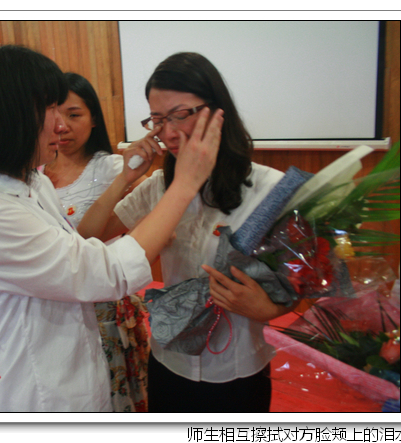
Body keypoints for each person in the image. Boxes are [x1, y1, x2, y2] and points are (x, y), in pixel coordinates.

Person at [0, 44, 222, 412]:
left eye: (180, 115)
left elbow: (77, 245)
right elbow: (105, 271)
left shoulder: (31, 182)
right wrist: (185, 183)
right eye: (50, 109)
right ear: (6, 115)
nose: (61, 125)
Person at [78, 52, 299, 413]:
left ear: (217, 111)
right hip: (169, 362)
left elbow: (300, 283)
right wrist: (126, 177)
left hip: (238, 371)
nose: (168, 132)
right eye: (158, 119)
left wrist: (267, 308)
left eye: (180, 115)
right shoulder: (160, 187)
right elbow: (88, 234)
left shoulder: (270, 190)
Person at [41, 72, 150, 412]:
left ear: (93, 119)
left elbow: (147, 218)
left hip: (105, 306)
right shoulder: (35, 173)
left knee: (115, 398)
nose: (62, 126)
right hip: (56, 310)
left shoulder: (113, 168)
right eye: (54, 114)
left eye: (74, 114)